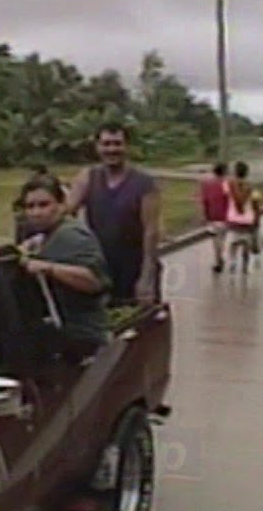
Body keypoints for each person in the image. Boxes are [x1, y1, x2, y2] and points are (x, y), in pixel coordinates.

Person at [63, 123, 162, 306]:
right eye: (106, 144)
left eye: (117, 144)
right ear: (97, 147)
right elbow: (66, 214)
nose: (112, 149)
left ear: (127, 147)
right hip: (101, 267)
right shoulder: (88, 177)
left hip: (135, 267)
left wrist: (147, 276)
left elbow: (151, 232)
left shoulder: (145, 184)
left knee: (140, 320)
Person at [18, 176, 112, 349]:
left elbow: (94, 281)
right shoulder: (47, 234)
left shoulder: (71, 235)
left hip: (82, 337)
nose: (36, 213)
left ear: (61, 205)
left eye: (44, 205)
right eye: (30, 206)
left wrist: (47, 268)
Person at [224, 161, 263, 274]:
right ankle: (245, 266)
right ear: (247, 173)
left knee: (233, 242)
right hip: (248, 220)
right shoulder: (252, 188)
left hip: (233, 219)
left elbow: (225, 199)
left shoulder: (229, 185)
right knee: (246, 243)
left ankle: (233, 261)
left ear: (235, 172)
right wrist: (257, 221)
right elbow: (256, 205)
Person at [199, 162, 231, 274]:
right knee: (221, 238)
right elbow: (229, 200)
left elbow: (204, 200)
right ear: (224, 172)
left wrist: (204, 215)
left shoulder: (207, 184)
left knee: (215, 239)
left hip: (212, 215)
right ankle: (219, 259)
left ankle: (218, 259)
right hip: (224, 215)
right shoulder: (226, 184)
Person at [12, 164, 52, 243]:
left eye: (34, 175)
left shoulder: (51, 187)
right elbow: (16, 204)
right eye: (31, 176)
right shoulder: (28, 187)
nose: (31, 178)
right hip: (28, 222)